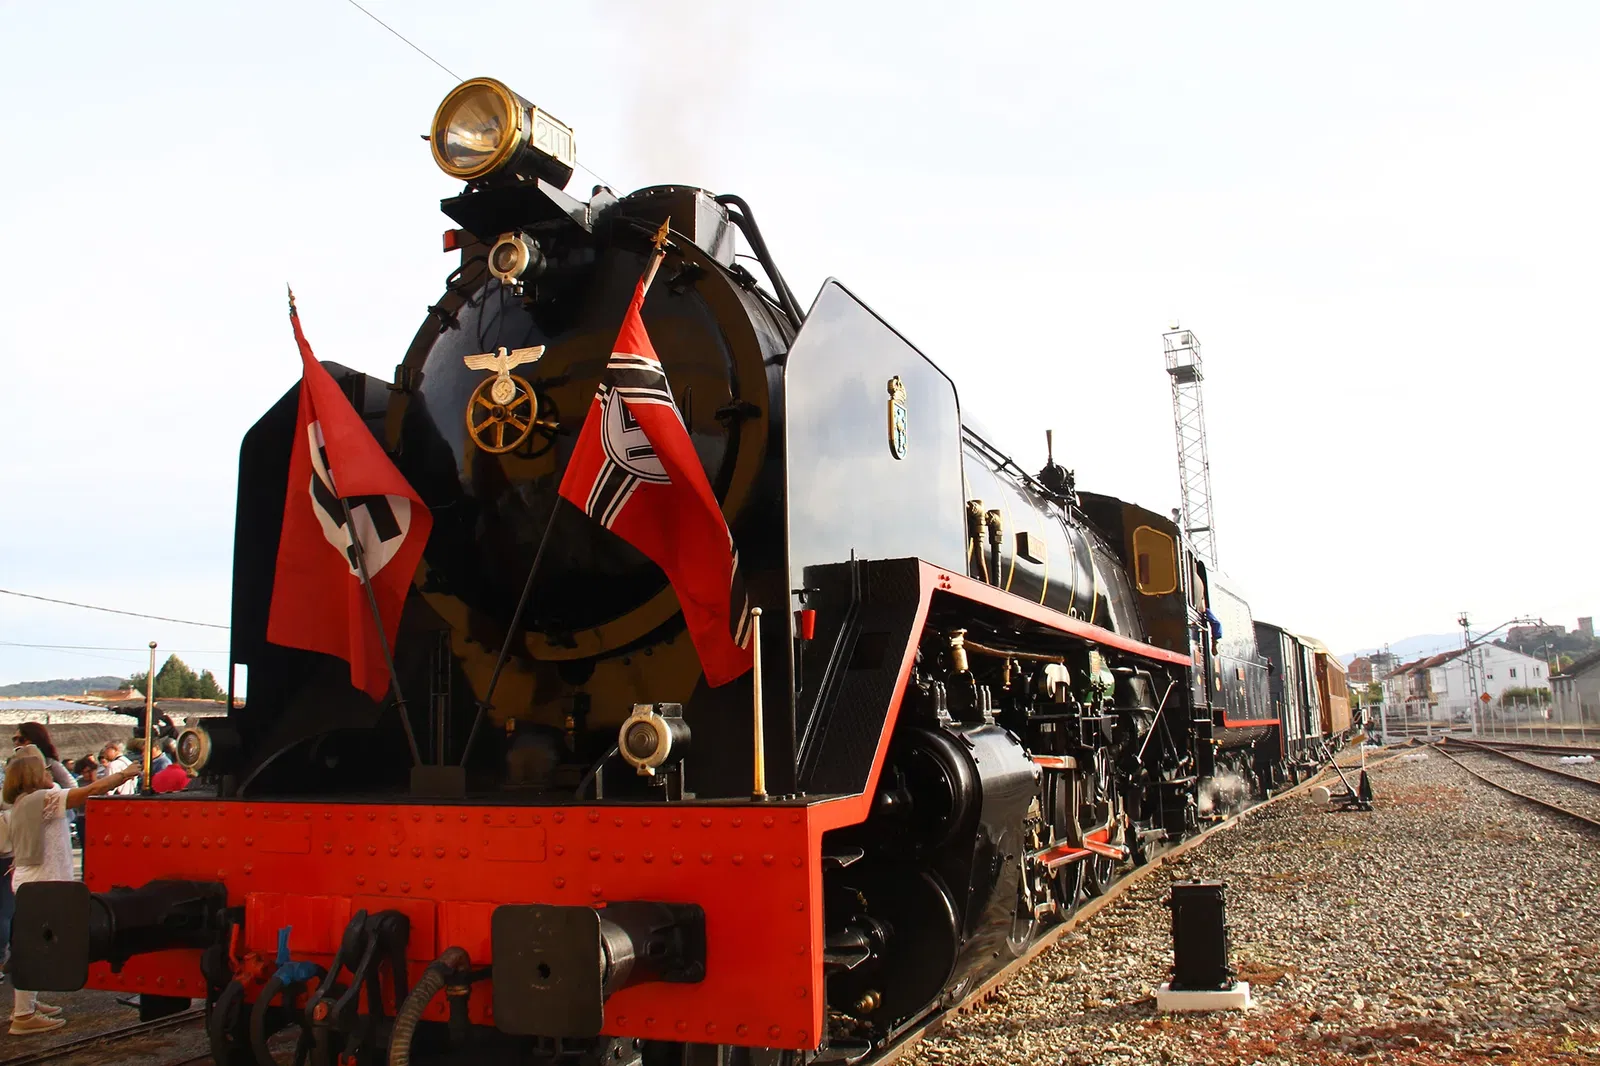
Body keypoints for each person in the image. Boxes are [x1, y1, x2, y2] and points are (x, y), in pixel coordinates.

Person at [3, 749, 138, 1034]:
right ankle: (24, 1015)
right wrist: (124, 775)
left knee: (35, 942)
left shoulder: (22, 802)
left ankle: (29, 1001)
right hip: (44, 880)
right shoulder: (43, 800)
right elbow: (92, 790)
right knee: (38, 947)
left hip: (32, 878)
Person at [12, 724, 74, 791]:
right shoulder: (13, 764)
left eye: (21, 739)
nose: (16, 743)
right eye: (14, 739)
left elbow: (72, 788)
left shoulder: (51, 764)